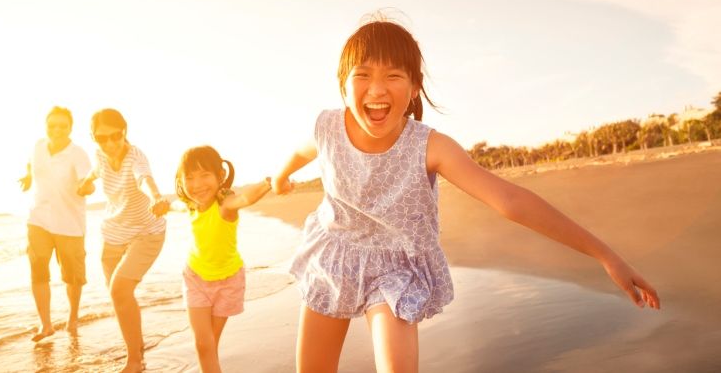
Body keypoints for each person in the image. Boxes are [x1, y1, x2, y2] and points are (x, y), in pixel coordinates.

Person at [271, 19, 661, 373]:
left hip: (396, 268)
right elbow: (301, 153)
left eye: (393, 75)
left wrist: (605, 255)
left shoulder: (430, 146)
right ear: (343, 85)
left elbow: (510, 201)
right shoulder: (327, 128)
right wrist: (280, 178)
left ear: (413, 88)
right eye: (363, 75)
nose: (377, 89)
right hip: (336, 255)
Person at [76, 108, 170, 373]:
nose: (109, 143)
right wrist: (84, 184)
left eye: (114, 136)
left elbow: (144, 178)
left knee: (119, 289)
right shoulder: (100, 155)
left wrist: (155, 197)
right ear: (94, 138)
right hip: (113, 233)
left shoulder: (135, 157)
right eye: (101, 138)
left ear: (124, 132)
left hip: (147, 232)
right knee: (117, 293)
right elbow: (95, 172)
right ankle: (137, 343)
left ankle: (135, 361)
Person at [173, 146, 271, 373]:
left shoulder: (225, 206)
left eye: (205, 175)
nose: (197, 184)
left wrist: (269, 183)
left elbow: (246, 198)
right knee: (203, 343)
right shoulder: (190, 206)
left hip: (228, 282)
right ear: (181, 181)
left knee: (209, 343)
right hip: (195, 278)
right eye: (189, 177)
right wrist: (161, 204)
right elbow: (174, 204)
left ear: (220, 176)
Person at [19, 106, 91, 341]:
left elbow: (86, 181)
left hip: (70, 224)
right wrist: (29, 176)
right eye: (52, 125)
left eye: (63, 125)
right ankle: (46, 325)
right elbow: (32, 163)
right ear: (46, 126)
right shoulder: (38, 146)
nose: (57, 130)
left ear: (71, 127)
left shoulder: (77, 154)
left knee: (72, 276)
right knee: (38, 270)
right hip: (38, 219)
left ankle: (72, 319)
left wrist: (86, 187)